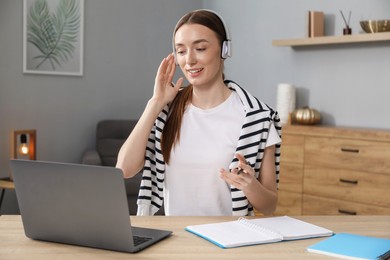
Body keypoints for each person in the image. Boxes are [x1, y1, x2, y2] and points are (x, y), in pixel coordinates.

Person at [116, 9, 282, 217]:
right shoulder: (166, 111)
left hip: (230, 241)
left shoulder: (258, 118)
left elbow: (269, 205)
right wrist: (156, 102)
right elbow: (124, 169)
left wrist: (250, 185)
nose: (189, 60)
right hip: (178, 242)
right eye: (181, 51)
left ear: (224, 50)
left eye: (200, 48)